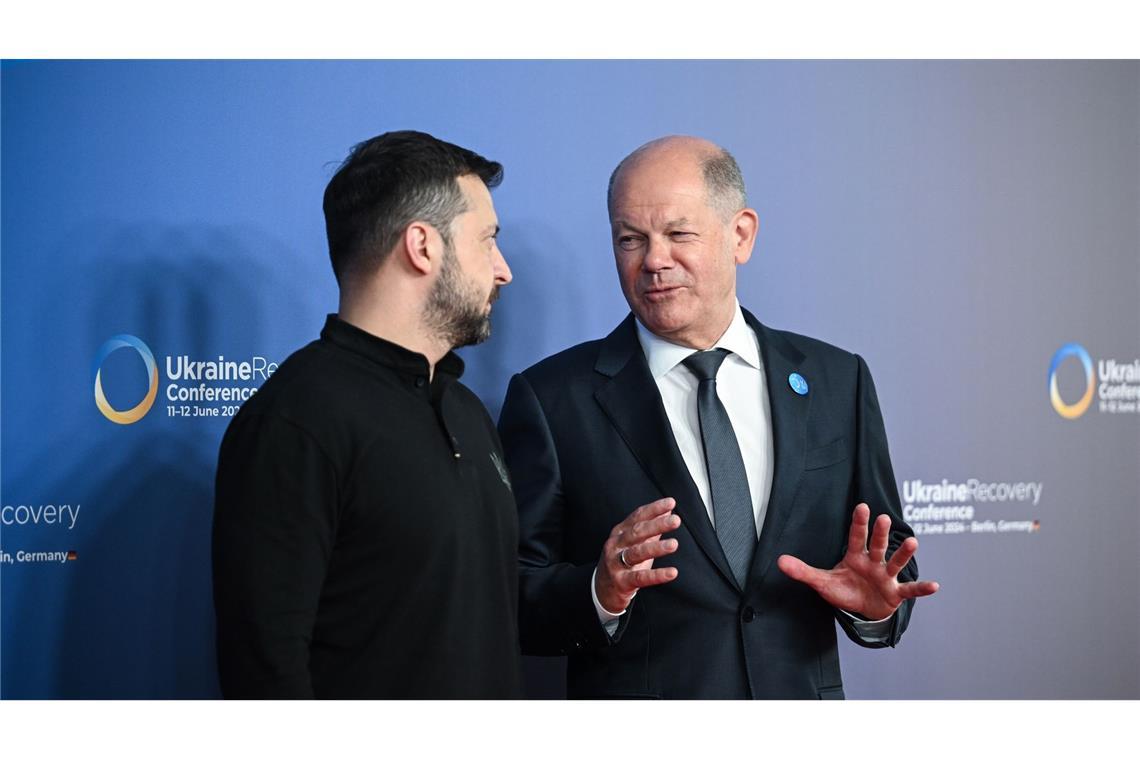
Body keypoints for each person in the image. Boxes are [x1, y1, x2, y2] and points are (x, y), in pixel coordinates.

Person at [498, 135, 939, 699]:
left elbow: (885, 557)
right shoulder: (552, 398)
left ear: (741, 235)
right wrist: (598, 591)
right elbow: (512, 593)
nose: (653, 260)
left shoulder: (837, 381)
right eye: (630, 239)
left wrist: (875, 612)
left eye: (678, 234)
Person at [212, 130, 522, 698]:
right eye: (487, 241)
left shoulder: (467, 412)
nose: (503, 270)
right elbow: (265, 675)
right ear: (423, 246)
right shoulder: (295, 421)